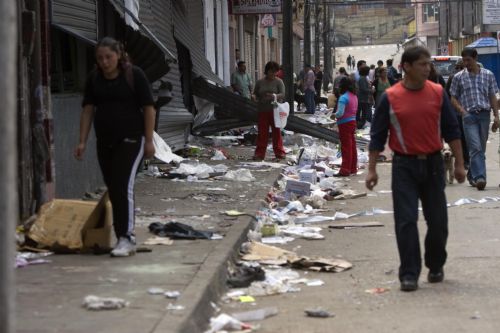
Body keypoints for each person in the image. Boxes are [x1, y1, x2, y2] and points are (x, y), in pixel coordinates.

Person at [366, 46, 466, 292]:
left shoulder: (437, 92)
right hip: (404, 166)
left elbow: (452, 130)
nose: (428, 69)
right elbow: (377, 137)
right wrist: (371, 169)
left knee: (438, 220)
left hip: (433, 164)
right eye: (422, 64)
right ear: (406, 67)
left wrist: (460, 165)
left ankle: (435, 265)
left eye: (428, 64)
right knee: (406, 221)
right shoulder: (389, 97)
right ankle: (409, 273)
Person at [75, 37, 156, 257]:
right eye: (100, 58)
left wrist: (149, 140)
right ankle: (122, 236)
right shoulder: (94, 79)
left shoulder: (134, 75)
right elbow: (88, 110)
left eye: (108, 57)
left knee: (122, 186)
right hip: (105, 141)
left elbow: (149, 108)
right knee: (113, 187)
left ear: (118, 55)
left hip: (131, 139)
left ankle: (126, 238)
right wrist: (82, 141)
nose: (104, 61)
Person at [450, 48, 500, 190]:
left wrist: (496, 116)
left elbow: (492, 97)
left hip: (484, 115)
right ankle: (480, 178)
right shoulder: (458, 77)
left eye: (468, 60)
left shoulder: (488, 75)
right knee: (475, 147)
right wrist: (462, 111)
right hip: (469, 117)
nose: (466, 63)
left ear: (476, 58)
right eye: (464, 60)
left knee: (480, 149)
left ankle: (472, 175)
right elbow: (453, 98)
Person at [252, 61, 286, 161]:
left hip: (275, 111)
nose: (273, 74)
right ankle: (259, 154)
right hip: (262, 110)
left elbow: (283, 94)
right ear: (267, 71)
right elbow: (255, 93)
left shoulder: (279, 82)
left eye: (275, 72)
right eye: (271, 71)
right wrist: (253, 97)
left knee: (276, 133)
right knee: (262, 133)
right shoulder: (260, 82)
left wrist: (274, 96)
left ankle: (279, 153)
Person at [445, 60, 469, 169]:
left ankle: (465, 160)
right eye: (458, 67)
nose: (459, 69)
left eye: (461, 67)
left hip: (463, 112)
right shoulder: (453, 78)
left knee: (463, 137)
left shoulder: (467, 78)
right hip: (458, 112)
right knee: (461, 136)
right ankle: (464, 160)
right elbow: (448, 94)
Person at [334, 77, 358, 177]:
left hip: (344, 124)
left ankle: (345, 170)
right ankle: (352, 168)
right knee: (352, 146)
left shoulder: (343, 98)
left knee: (346, 147)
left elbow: (340, 113)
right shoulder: (354, 96)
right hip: (352, 122)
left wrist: (333, 115)